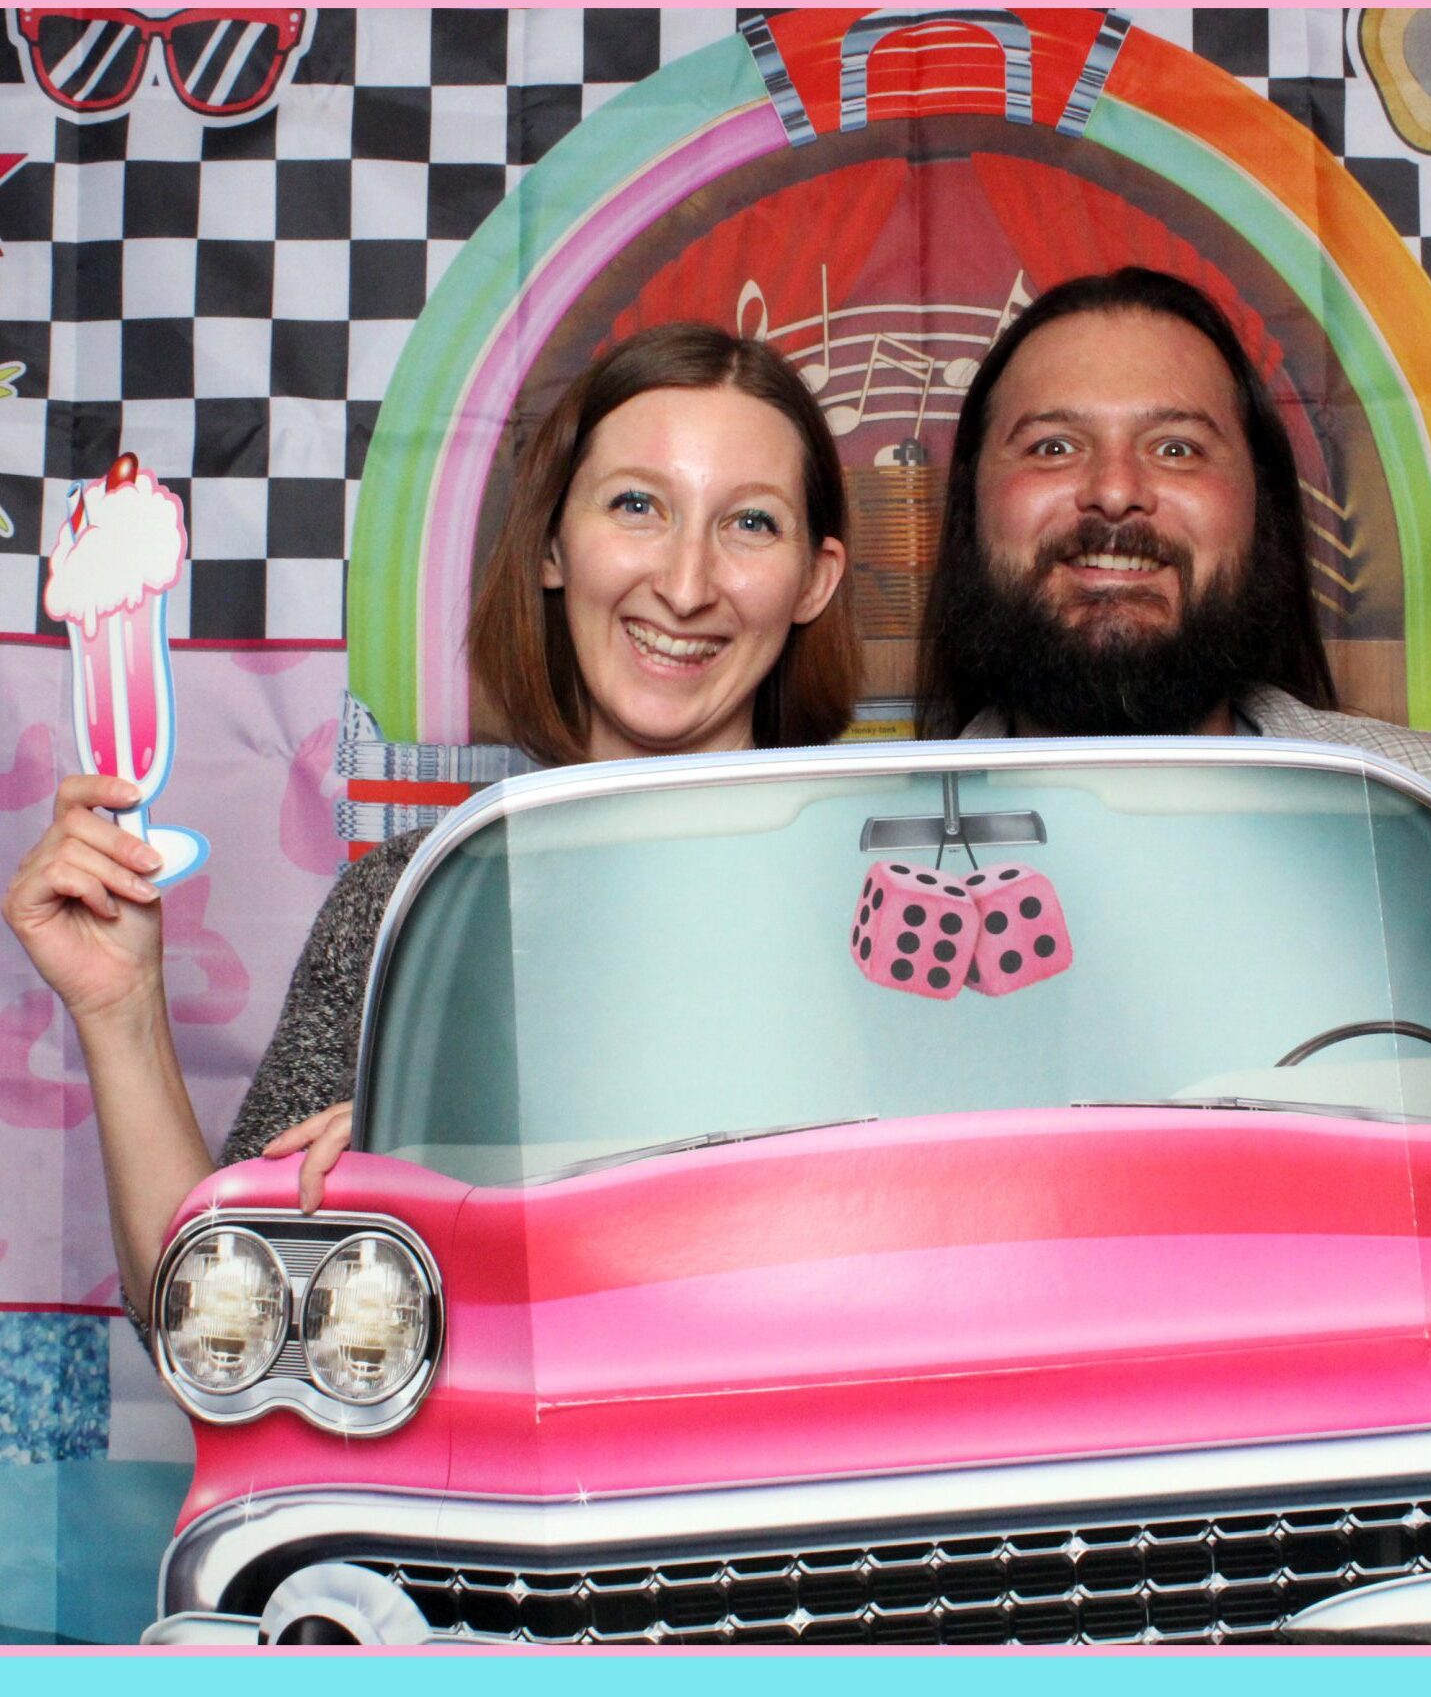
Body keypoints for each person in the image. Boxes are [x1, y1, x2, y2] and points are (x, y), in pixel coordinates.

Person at [4, 323, 858, 1321]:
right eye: (636, 505)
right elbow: (217, 1321)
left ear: (816, 577)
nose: (683, 582)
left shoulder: (893, 892)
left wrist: (463, 1148)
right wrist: (122, 1013)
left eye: (749, 523)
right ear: (552, 547)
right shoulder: (418, 903)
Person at [916, 266, 1431, 1084]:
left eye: (1175, 447)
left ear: (1260, 513)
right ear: (973, 512)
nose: (1113, 491)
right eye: (1053, 446)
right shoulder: (850, 854)